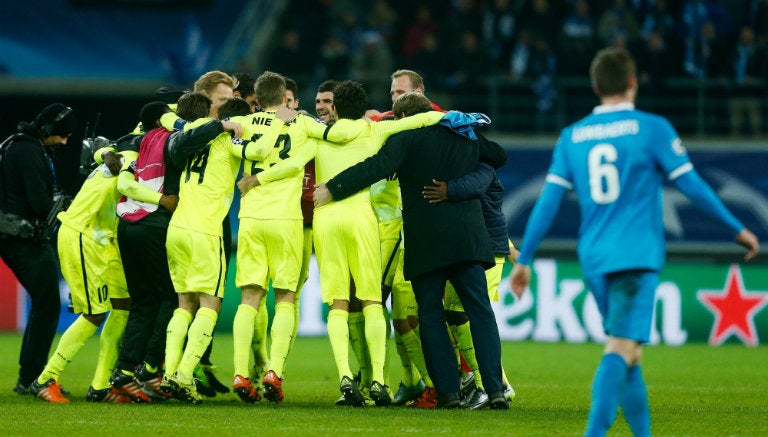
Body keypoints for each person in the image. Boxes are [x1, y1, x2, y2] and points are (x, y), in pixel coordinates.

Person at [509, 47, 760, 436]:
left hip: (593, 257)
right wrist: (736, 229)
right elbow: (691, 185)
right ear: (632, 82)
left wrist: (524, 258)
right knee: (620, 349)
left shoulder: (572, 136)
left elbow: (548, 202)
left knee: (630, 353)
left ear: (595, 86)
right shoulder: (652, 127)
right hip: (636, 256)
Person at [314, 91, 509, 410]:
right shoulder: (465, 135)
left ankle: (447, 393)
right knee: (481, 313)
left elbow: (374, 167)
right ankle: (495, 389)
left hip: (426, 241)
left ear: (403, 119)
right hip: (467, 238)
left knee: (430, 317)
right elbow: (498, 156)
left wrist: (333, 188)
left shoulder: (404, 140)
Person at [110, 95, 229, 403]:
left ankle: (124, 371)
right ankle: (150, 370)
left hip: (127, 223)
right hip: (157, 223)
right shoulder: (177, 138)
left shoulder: (144, 140)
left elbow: (121, 169)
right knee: (170, 299)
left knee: (143, 302)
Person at [30, 141, 137, 403]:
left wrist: (104, 153)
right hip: (84, 233)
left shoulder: (121, 153)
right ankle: (45, 379)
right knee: (95, 313)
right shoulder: (134, 159)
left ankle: (101, 386)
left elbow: (98, 148)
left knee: (123, 305)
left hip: (103, 237)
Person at [0, 103, 75, 397]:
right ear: (48, 129)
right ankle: (31, 377)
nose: (64, 141)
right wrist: (64, 211)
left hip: (12, 232)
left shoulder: (15, 144)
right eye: (62, 135)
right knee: (47, 304)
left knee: (44, 304)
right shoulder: (29, 150)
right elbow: (38, 202)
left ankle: (29, 376)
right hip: (23, 236)